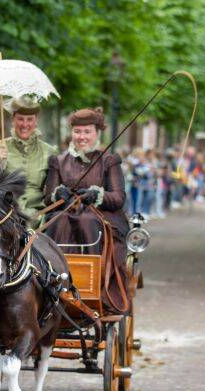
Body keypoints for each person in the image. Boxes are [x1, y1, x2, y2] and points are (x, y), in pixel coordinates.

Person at [43, 108, 129, 314]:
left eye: (87, 132)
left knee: (86, 221)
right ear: (71, 132)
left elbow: (119, 198)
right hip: (65, 215)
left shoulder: (109, 160)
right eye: (78, 131)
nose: (82, 137)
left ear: (97, 133)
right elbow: (48, 198)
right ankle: (54, 285)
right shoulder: (59, 161)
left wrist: (97, 194)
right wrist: (58, 193)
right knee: (56, 221)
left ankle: (92, 285)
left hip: (102, 217)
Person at [0, 95, 57, 224]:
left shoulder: (49, 151)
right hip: (4, 213)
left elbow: (52, 190)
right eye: (20, 119)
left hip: (39, 216)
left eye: (30, 119)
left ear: (36, 121)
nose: (25, 124)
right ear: (13, 120)